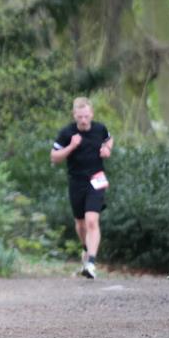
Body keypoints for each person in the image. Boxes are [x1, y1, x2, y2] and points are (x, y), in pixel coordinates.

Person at [50, 97, 113, 279]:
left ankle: (91, 264)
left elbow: (109, 140)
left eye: (86, 116)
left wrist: (107, 149)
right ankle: (86, 249)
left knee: (92, 220)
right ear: (74, 116)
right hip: (76, 181)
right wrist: (71, 146)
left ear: (91, 114)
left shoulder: (100, 128)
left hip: (96, 180)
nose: (84, 121)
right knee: (80, 223)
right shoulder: (67, 132)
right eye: (80, 117)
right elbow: (54, 157)